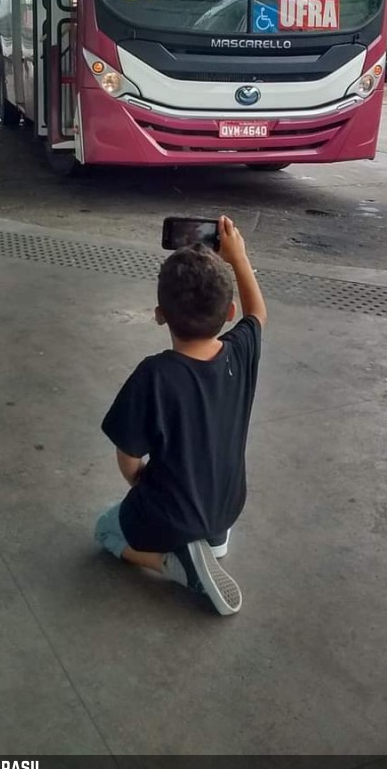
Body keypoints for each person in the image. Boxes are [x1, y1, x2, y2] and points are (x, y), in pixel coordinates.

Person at [95, 215, 266, 616]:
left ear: (159, 315)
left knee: (106, 527)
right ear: (229, 313)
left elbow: (128, 455)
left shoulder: (154, 374)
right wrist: (238, 259)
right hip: (227, 503)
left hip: (166, 516)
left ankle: (172, 564)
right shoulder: (240, 353)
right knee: (204, 499)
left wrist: (138, 481)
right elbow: (257, 313)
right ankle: (213, 540)